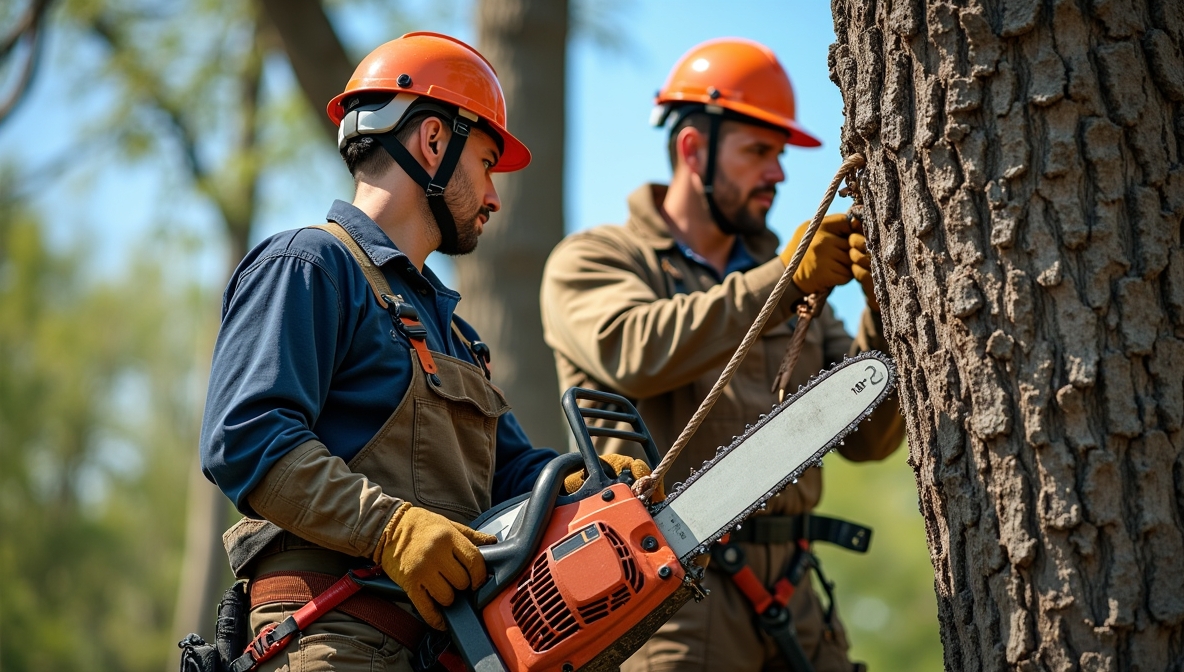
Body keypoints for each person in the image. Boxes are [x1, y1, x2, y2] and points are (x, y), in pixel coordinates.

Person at [199, 32, 649, 671]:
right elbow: (246, 437)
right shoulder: (312, 264)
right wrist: (391, 529)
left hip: (447, 649)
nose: (494, 196)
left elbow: (512, 475)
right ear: (433, 141)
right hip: (334, 637)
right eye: (487, 164)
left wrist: (583, 484)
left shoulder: (451, 329)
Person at [540, 37, 906, 672]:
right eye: (758, 151)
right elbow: (631, 349)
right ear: (692, 150)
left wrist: (884, 306)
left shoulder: (790, 278)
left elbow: (868, 440)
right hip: (671, 603)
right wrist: (783, 279)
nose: (779, 173)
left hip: (796, 593)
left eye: (780, 154)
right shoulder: (596, 259)